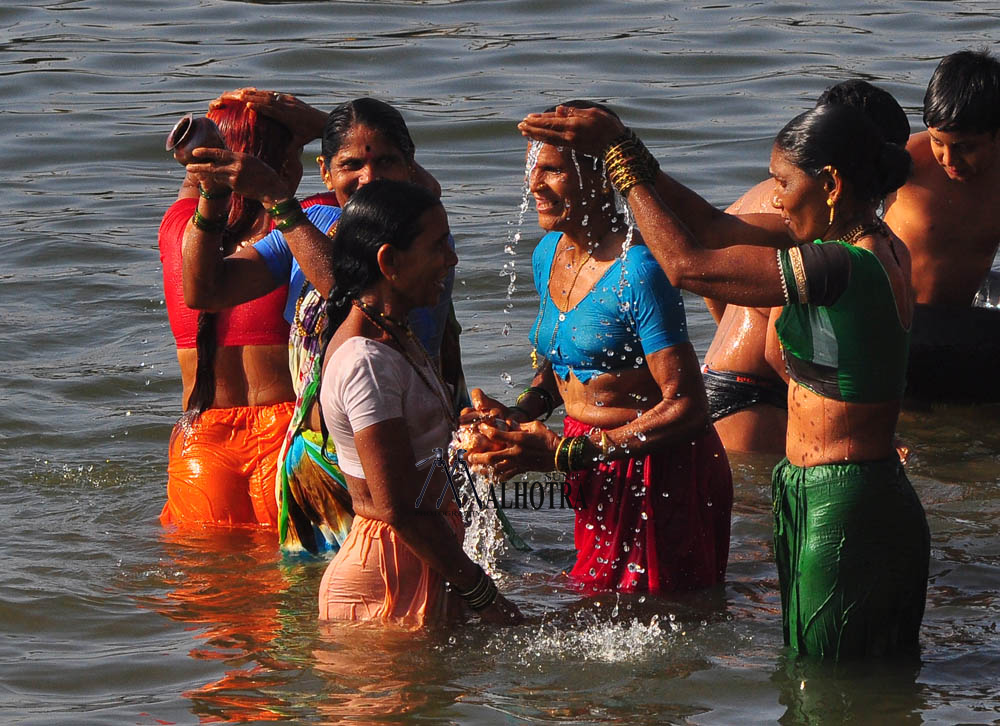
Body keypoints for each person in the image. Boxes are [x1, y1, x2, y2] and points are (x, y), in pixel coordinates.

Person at [519, 101, 930, 660]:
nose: (777, 199)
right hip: (820, 491)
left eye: (784, 183)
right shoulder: (849, 245)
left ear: (830, 184)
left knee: (833, 683)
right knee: (826, 674)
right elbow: (711, 227)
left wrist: (617, 155)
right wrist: (630, 147)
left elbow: (687, 265)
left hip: (848, 499)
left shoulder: (845, 267)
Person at [463, 102, 733, 597]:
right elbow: (561, 357)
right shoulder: (549, 253)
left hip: (654, 465)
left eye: (553, 171)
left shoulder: (641, 271)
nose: (534, 186)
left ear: (600, 175)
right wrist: (521, 412)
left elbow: (689, 406)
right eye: (532, 170)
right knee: (597, 598)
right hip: (588, 463)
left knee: (658, 616)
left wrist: (570, 452)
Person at [183, 95, 460, 553]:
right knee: (317, 617)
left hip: (396, 465)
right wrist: (213, 193)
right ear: (325, 173)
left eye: (386, 162)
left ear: (411, 168)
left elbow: (350, 291)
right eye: (351, 165)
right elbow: (205, 291)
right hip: (314, 467)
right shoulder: (314, 222)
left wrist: (275, 196)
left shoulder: (421, 237)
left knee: (408, 603)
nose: (368, 177)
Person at [316, 179, 521, 626]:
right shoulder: (365, 360)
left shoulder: (392, 335)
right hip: (386, 574)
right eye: (438, 246)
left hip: (420, 559)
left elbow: (413, 456)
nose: (452, 258)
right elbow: (398, 509)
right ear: (389, 261)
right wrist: (486, 598)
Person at [703, 80, 911, 453]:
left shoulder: (773, 197)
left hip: (719, 382)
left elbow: (712, 275)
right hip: (758, 401)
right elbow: (775, 350)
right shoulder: (809, 225)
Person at [158, 98, 305, 528]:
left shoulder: (179, 230)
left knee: (206, 586)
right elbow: (383, 184)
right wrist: (303, 118)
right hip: (285, 437)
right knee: (291, 585)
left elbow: (196, 181)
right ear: (284, 167)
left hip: (200, 442)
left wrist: (207, 139)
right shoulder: (302, 230)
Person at [882, 50, 1000, 400]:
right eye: (938, 142)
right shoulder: (907, 162)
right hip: (892, 325)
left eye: (965, 147)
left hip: (957, 330)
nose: (949, 159)